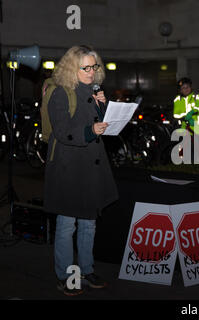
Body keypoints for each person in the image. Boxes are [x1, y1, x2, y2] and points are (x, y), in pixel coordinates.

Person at [44, 45, 119, 296]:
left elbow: (98, 124)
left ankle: (86, 270)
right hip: (69, 167)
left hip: (91, 165)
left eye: (93, 66)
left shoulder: (92, 90)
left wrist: (103, 108)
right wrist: (90, 131)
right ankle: (65, 275)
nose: (90, 72)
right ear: (71, 69)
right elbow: (62, 130)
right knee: (67, 224)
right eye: (85, 67)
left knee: (89, 223)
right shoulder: (61, 93)